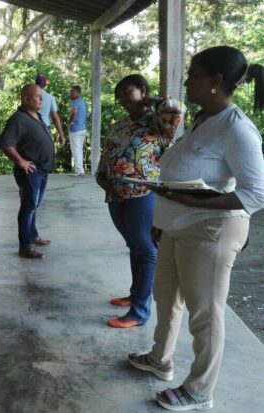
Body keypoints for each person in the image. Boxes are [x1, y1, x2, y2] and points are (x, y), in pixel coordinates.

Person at [128, 46, 264, 411]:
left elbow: (256, 193)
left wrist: (197, 203)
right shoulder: (203, 119)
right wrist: (165, 218)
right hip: (177, 227)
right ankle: (161, 359)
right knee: (166, 297)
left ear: (216, 82)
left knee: (205, 313)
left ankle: (200, 390)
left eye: (193, 75)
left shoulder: (238, 130)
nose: (187, 82)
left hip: (211, 231)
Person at [95, 74, 184, 329]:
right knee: (133, 244)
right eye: (119, 94)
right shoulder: (120, 126)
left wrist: (148, 101)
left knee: (145, 249)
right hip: (115, 195)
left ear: (143, 90)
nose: (122, 98)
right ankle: (135, 294)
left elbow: (175, 108)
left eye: (128, 91)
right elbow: (107, 156)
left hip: (143, 196)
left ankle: (140, 312)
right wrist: (104, 181)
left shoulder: (158, 125)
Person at [0, 83, 55, 259]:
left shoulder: (36, 115)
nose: (41, 99)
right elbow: (6, 143)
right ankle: (25, 246)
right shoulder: (18, 119)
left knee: (34, 205)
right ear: (26, 99)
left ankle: (33, 235)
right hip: (31, 171)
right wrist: (21, 161)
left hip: (42, 169)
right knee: (28, 206)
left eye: (41, 96)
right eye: (37, 96)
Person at [35, 74, 65, 145]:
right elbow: (55, 117)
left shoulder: (29, 95)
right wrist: (61, 134)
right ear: (45, 85)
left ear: (35, 83)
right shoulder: (50, 98)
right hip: (44, 127)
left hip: (29, 126)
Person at [67, 85, 88, 176]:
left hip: (75, 129)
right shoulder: (83, 102)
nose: (70, 94)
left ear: (77, 93)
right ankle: (80, 170)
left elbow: (74, 112)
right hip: (83, 129)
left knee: (75, 149)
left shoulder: (75, 102)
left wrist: (69, 122)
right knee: (79, 149)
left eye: (72, 92)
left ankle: (79, 170)